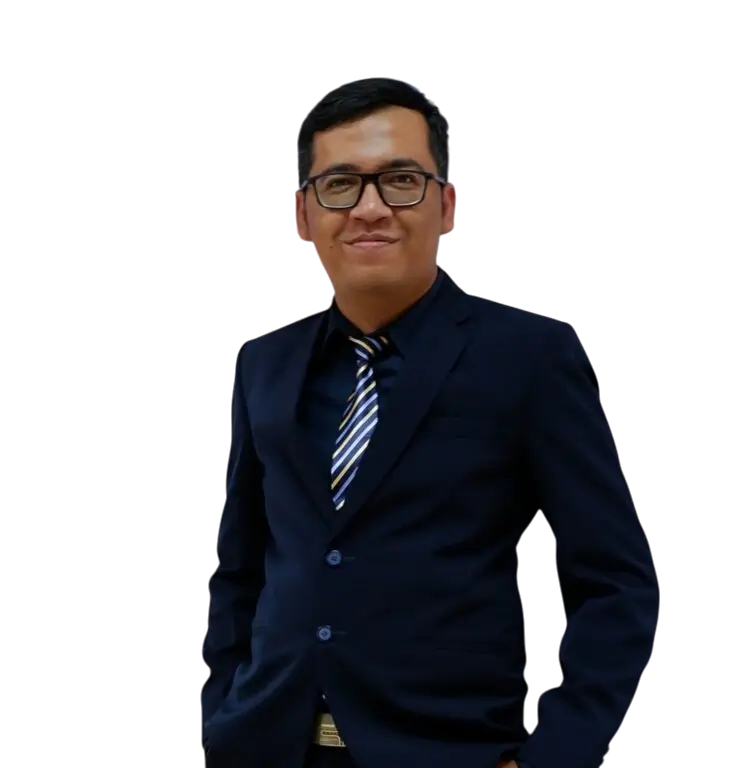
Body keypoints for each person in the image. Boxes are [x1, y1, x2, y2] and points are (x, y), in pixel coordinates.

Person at [201, 78, 658, 768]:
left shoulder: (530, 357)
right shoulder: (264, 363)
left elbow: (615, 586)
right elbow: (240, 569)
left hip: (446, 751)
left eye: (401, 180)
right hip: (267, 747)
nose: (371, 207)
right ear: (303, 216)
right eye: (340, 184)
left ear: (447, 205)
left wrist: (555, 756)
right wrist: (219, 715)